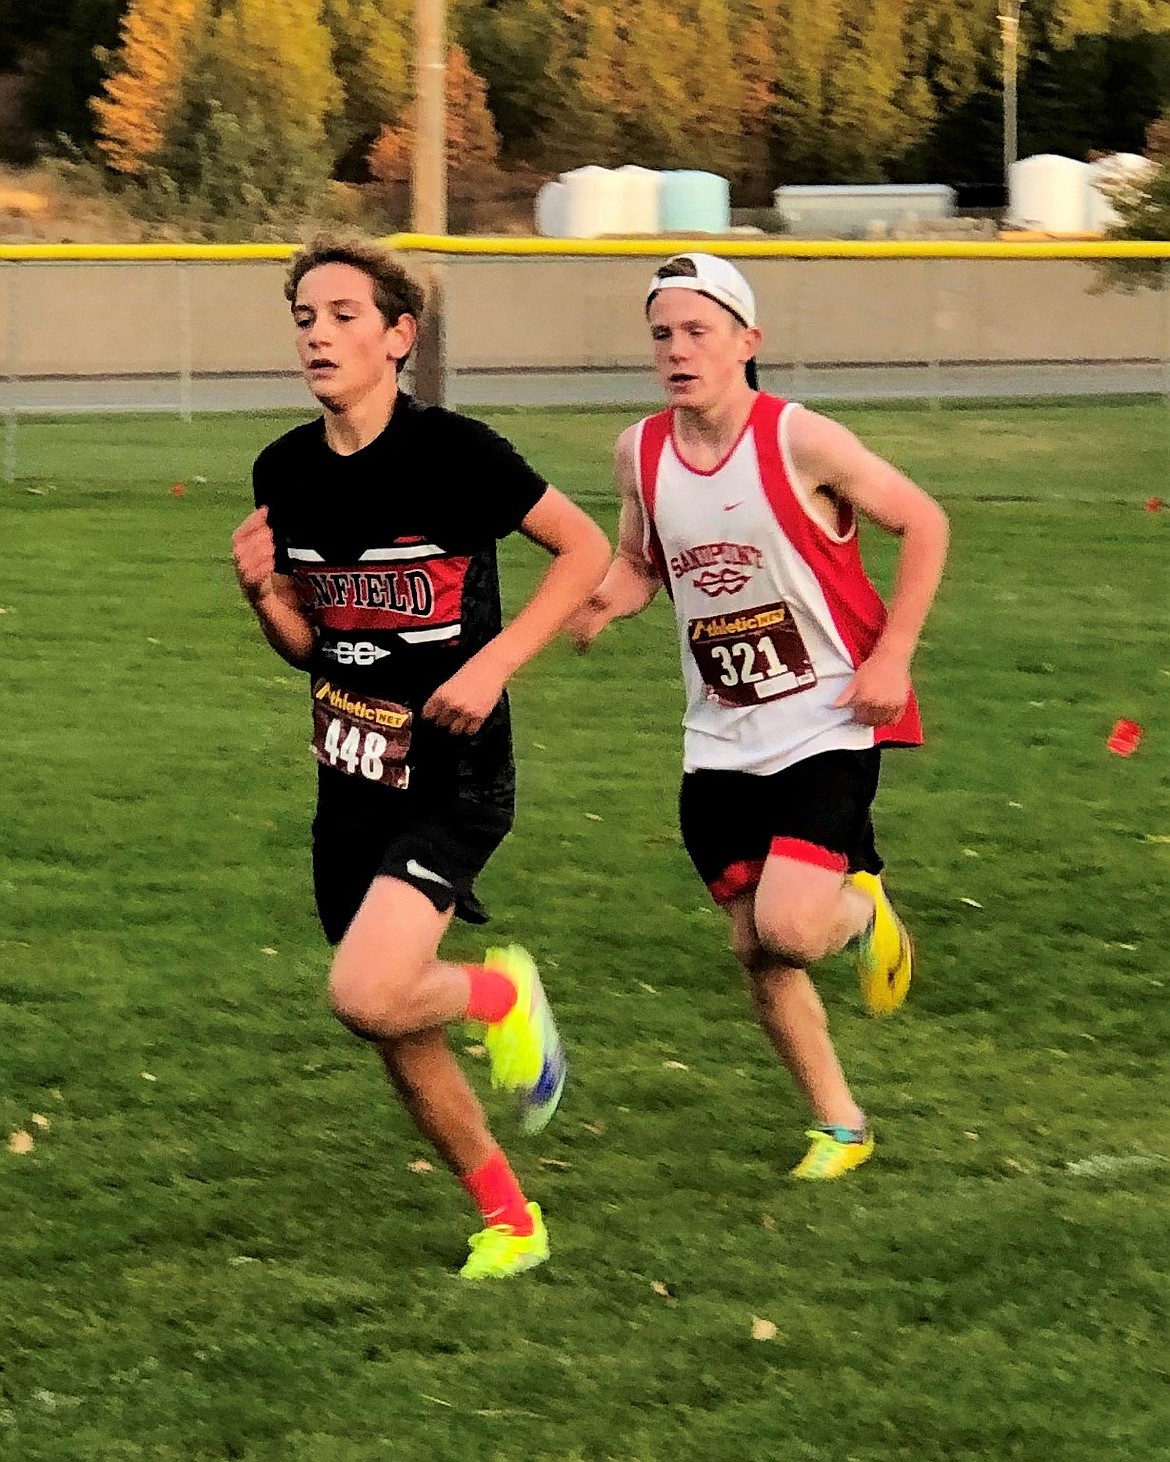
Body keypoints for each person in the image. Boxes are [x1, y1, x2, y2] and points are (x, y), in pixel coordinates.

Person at [231, 234, 610, 1277]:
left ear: (400, 337)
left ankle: (501, 994)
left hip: (453, 774)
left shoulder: (458, 455)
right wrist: (264, 593)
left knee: (364, 988)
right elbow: (312, 648)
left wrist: (494, 665)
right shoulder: (284, 472)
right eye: (305, 315)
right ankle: (508, 1218)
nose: (318, 332)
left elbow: (588, 550)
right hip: (348, 777)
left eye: (344, 314)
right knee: (393, 1024)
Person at [568, 253, 949, 1180]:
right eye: (662, 333)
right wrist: (604, 602)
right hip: (719, 740)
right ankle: (841, 1126)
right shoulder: (639, 452)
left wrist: (893, 655)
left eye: (698, 331)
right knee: (755, 950)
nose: (677, 350)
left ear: (748, 340)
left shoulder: (801, 441)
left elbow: (925, 521)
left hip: (826, 721)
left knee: (786, 926)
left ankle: (861, 907)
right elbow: (639, 560)